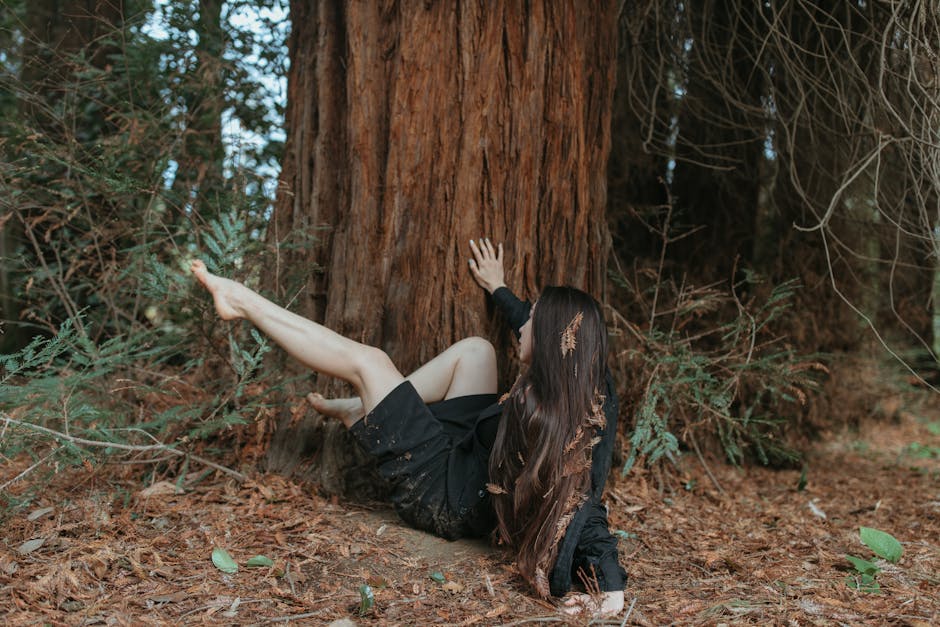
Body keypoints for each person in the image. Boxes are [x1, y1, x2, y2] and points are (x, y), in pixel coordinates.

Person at [190, 239, 627, 616]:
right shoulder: (580, 382)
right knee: (477, 352)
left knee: (370, 361)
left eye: (531, 317)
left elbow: (585, 508)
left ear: (551, 339)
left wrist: (609, 596)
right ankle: (366, 404)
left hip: (443, 495)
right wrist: (498, 289)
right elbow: (553, 328)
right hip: (468, 456)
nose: (522, 322)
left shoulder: (549, 423)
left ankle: (242, 300)